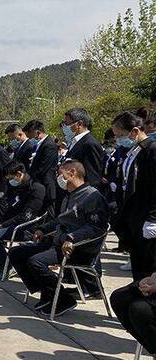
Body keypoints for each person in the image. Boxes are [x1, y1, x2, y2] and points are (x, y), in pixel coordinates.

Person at [9, 160, 109, 317]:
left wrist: (72, 238)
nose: (58, 177)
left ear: (72, 173)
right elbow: (60, 220)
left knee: (36, 261)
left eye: (61, 173)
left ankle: (63, 299)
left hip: (78, 248)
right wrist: (42, 229)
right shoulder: (69, 196)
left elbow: (96, 228)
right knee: (16, 253)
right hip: (59, 243)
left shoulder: (92, 196)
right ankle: (49, 293)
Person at [110, 111, 156, 356]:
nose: (117, 140)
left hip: (147, 224)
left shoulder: (151, 149)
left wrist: (153, 218)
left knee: (148, 278)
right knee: (139, 277)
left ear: (135, 132)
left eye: (120, 136)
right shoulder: (133, 152)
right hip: (134, 223)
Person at [0, 160, 45, 278]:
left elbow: (26, 216)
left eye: (11, 178)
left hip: (26, 228)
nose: (9, 181)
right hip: (12, 224)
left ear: (18, 174)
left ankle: (8, 266)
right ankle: (0, 263)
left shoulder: (36, 188)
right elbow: (9, 208)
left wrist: (3, 226)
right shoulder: (16, 187)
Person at [61, 108, 105, 188]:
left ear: (79, 124)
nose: (65, 127)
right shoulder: (74, 142)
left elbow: (93, 176)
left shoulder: (89, 144)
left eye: (67, 124)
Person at [23, 120, 58, 212]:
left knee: (48, 213)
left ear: (37, 133)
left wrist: (28, 178)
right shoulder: (40, 145)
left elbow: (42, 168)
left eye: (30, 138)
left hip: (46, 185)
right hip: (39, 185)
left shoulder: (49, 145)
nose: (29, 140)